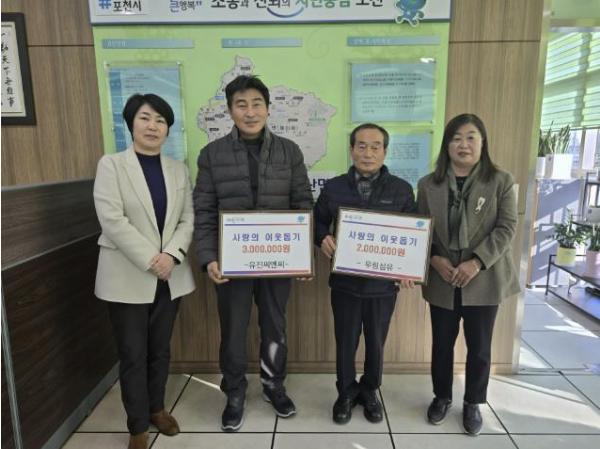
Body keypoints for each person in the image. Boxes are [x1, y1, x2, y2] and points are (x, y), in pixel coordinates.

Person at [193, 75, 313, 432]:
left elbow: (302, 203)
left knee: (275, 326)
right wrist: (209, 257)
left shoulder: (289, 151)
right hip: (232, 262)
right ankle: (234, 392)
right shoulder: (211, 154)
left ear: (268, 109)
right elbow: (204, 209)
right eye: (241, 105)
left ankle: (274, 386)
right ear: (230, 110)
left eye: (256, 104)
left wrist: (303, 256)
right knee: (233, 329)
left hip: (278, 259)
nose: (250, 112)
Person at [93, 94, 196, 449]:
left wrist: (171, 256)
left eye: (160, 120)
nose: (153, 126)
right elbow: (112, 219)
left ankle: (157, 409)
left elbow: (188, 219)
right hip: (127, 275)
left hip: (170, 276)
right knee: (133, 353)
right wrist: (153, 259)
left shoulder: (179, 169)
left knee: (160, 350)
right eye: (145, 118)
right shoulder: (112, 165)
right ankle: (137, 425)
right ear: (131, 123)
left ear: (168, 129)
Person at [416, 113, 520, 436]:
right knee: (441, 345)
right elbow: (421, 229)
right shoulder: (427, 184)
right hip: (443, 277)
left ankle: (473, 401)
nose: (463, 144)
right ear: (447, 145)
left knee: (480, 347)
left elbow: (507, 228)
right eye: (456, 138)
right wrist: (434, 259)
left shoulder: (501, 181)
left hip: (484, 278)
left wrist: (476, 262)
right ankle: (442, 397)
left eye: (471, 137)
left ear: (482, 142)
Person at [313, 123, 416, 424]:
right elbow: (317, 222)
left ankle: (370, 390)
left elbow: (414, 233)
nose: (368, 153)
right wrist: (322, 238)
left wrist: (409, 268)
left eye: (375, 147)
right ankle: (345, 392)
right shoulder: (334, 188)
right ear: (351, 150)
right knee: (345, 341)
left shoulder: (401, 189)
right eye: (361, 146)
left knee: (376, 342)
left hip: (383, 287)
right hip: (345, 284)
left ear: (385, 151)